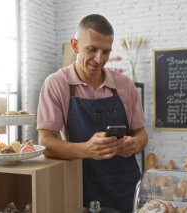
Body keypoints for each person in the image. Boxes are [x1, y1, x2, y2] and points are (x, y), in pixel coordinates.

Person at [37, 14, 148, 213]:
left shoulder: (125, 85)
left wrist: (135, 144)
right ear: (75, 45)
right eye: (92, 49)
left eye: (106, 51)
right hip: (81, 189)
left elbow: (141, 134)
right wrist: (87, 149)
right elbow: (46, 143)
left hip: (126, 190)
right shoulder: (56, 84)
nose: (99, 59)